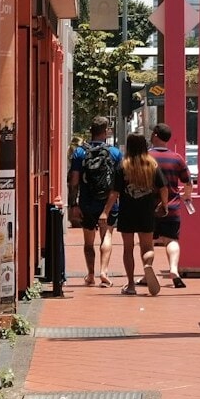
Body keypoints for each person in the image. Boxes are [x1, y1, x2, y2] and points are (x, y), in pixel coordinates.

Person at [107, 132, 169, 296]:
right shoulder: (152, 165)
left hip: (127, 212)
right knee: (147, 246)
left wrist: (105, 212)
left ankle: (130, 284)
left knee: (128, 249)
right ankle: (147, 266)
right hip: (146, 211)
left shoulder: (123, 166)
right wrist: (164, 204)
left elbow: (114, 193)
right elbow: (163, 188)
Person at [67, 116, 122, 287]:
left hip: (86, 202)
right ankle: (104, 272)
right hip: (108, 203)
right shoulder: (114, 153)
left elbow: (74, 181)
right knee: (107, 236)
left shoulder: (79, 152)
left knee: (88, 241)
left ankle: (90, 274)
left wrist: (73, 204)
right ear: (105, 132)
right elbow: (118, 182)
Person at [147, 123, 194, 288]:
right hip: (172, 207)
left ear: (156, 136)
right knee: (171, 240)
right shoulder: (177, 158)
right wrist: (186, 196)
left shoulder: (146, 157)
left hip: (149, 208)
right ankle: (173, 269)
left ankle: (148, 271)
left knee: (148, 242)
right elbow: (188, 182)